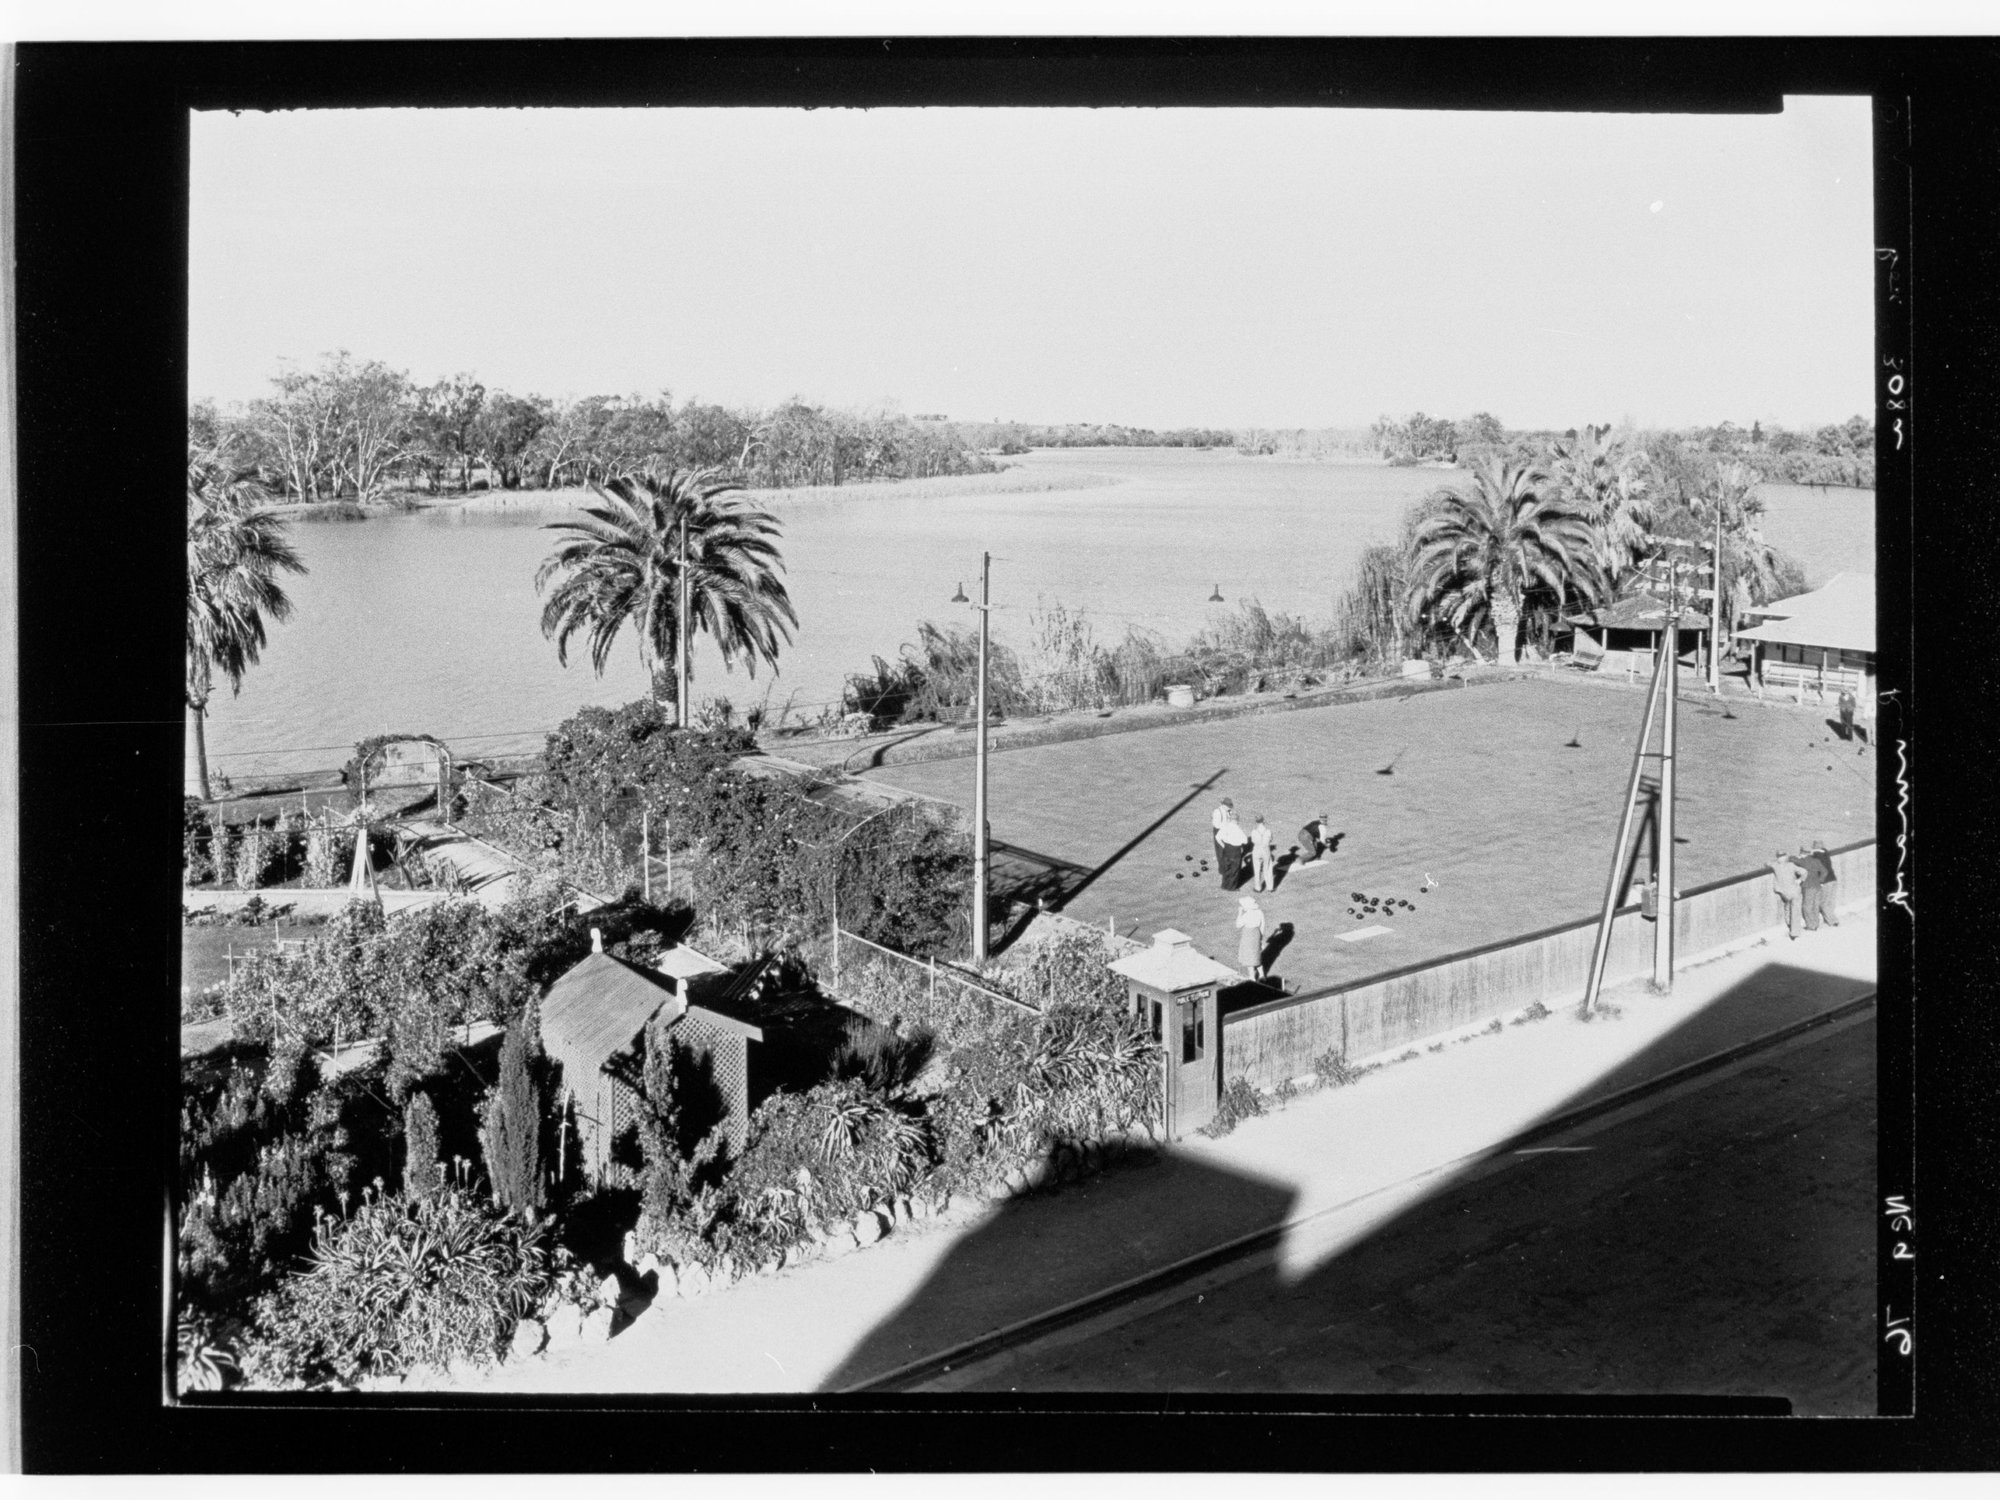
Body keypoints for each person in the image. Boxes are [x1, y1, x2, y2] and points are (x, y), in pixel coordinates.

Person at [1767, 849, 1805, 939]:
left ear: (1778, 858)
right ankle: (1794, 932)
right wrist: (1799, 880)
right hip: (1795, 890)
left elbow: (1767, 863)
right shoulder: (1791, 865)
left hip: (1784, 892)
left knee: (1787, 907)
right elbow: (1804, 872)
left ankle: (1789, 923)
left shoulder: (1775, 866)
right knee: (1795, 910)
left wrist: (1774, 862)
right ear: (1785, 857)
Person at [1803, 839, 1841, 928]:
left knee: (1823, 903)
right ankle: (1831, 920)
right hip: (1833, 879)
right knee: (1829, 902)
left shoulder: (1816, 856)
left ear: (1814, 847)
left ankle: (1833, 921)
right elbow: (1819, 852)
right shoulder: (1825, 853)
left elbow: (1812, 859)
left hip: (1826, 881)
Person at [1236, 894, 1269, 980]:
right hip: (1257, 934)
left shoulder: (1246, 915)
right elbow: (1262, 925)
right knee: (1256, 955)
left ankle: (1252, 977)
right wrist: (1261, 937)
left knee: (1249, 958)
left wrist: (1239, 913)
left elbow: (1238, 925)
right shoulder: (1259, 912)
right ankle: (1262, 975)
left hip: (1248, 936)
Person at [1217, 808, 1250, 891]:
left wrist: (1223, 845)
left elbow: (1217, 837)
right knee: (1234, 870)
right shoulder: (1238, 829)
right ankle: (1232, 887)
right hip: (1236, 851)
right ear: (1236, 820)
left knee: (1227, 868)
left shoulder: (1226, 827)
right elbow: (1245, 841)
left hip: (1227, 849)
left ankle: (1224, 885)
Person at [1249, 813, 1275, 892]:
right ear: (1263, 821)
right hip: (1265, 849)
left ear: (1256, 822)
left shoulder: (1254, 831)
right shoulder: (1268, 831)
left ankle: (1258, 887)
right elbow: (1271, 840)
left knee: (1257, 869)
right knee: (1267, 868)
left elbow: (1253, 840)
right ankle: (1270, 887)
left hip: (1257, 849)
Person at [1210, 795, 1235, 875]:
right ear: (1223, 805)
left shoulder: (1229, 811)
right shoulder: (1217, 812)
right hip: (1219, 832)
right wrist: (1225, 827)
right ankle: (1222, 870)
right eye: (1228, 806)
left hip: (1227, 831)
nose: (1230, 807)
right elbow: (1216, 825)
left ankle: (1225, 863)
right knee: (1220, 850)